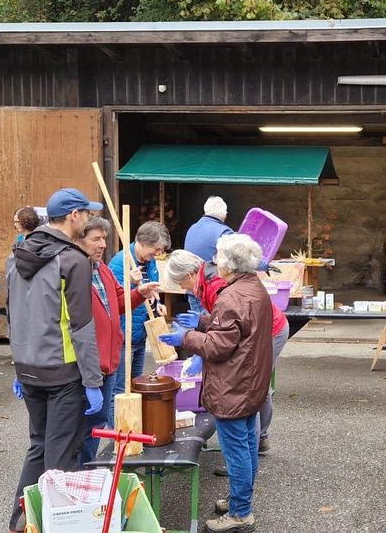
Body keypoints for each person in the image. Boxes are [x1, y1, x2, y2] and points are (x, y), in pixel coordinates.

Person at [3, 188, 107, 532]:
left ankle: (20, 523)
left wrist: (20, 366)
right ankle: (50, 525)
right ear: (74, 216)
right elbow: (82, 326)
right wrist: (93, 382)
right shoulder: (72, 260)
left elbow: (13, 315)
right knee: (60, 457)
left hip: (29, 368)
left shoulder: (16, 256)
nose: (89, 220)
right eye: (87, 215)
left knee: (39, 446)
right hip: (62, 374)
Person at [159, 235, 273, 533]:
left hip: (233, 385)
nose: (214, 262)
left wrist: (185, 338)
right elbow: (237, 329)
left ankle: (240, 513)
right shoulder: (251, 287)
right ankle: (240, 500)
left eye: (220, 257)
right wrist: (203, 322)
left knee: (237, 450)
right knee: (247, 444)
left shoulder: (231, 296)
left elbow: (217, 347)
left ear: (231, 265)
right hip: (248, 381)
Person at [166, 249, 289, 454]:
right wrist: (202, 322)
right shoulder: (207, 277)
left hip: (270, 330)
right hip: (257, 327)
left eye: (181, 284)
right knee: (255, 386)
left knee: (252, 387)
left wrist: (194, 347)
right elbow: (222, 324)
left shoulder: (216, 284)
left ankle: (251, 447)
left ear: (188, 275)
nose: (183, 289)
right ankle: (255, 443)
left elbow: (221, 339)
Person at [76, 217, 158, 464]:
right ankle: (77, 474)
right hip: (89, 362)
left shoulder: (103, 270)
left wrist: (139, 293)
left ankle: (88, 470)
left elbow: (120, 302)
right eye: (95, 239)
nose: (102, 244)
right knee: (81, 426)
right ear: (78, 240)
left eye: (104, 239)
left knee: (97, 422)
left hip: (109, 359)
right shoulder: (74, 272)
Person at [106, 221, 171, 384]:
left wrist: (158, 304)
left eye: (160, 250)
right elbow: (114, 300)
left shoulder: (150, 262)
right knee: (120, 389)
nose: (157, 254)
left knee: (136, 384)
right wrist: (131, 282)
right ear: (143, 242)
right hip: (124, 337)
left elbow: (152, 289)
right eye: (156, 249)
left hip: (141, 334)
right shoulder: (120, 263)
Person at [185, 196, 235, 262]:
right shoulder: (224, 233)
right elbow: (236, 260)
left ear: (205, 210)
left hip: (190, 270)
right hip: (209, 271)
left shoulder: (192, 228)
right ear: (225, 214)